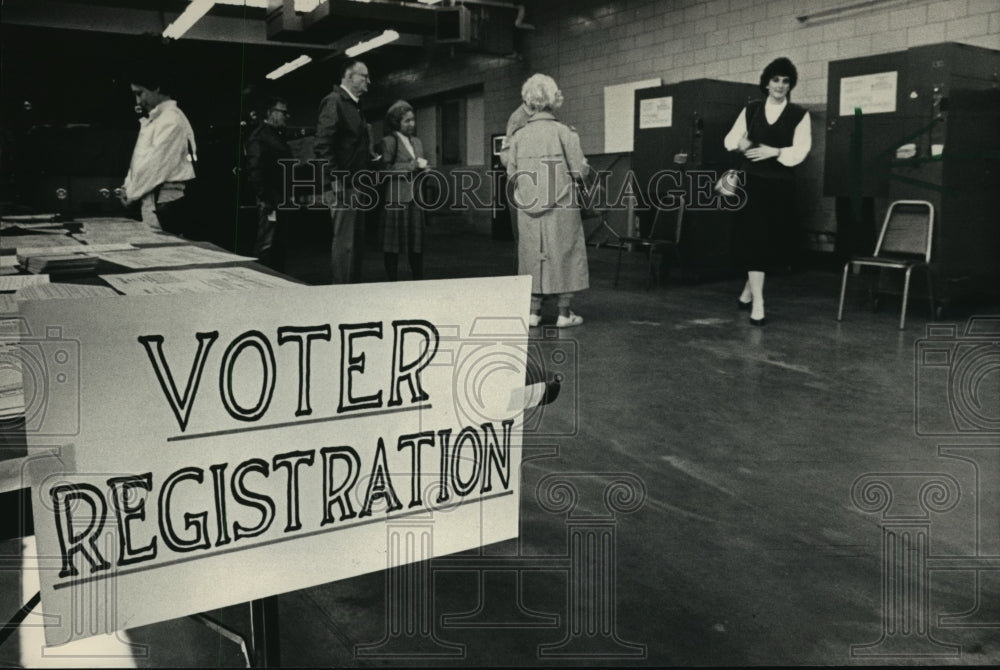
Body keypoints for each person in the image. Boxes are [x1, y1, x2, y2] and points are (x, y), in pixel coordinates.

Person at [723, 56, 811, 326]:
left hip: (780, 184)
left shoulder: (799, 114)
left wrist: (777, 151)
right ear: (766, 82)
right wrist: (742, 144)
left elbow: (802, 149)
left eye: (785, 81)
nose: (780, 86)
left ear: (790, 85)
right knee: (754, 240)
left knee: (770, 242)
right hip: (752, 182)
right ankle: (759, 303)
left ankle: (749, 291)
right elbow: (730, 140)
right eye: (775, 80)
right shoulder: (751, 110)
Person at [507, 73, 590, 328]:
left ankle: (533, 312)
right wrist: (585, 166)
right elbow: (578, 171)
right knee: (564, 252)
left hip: (529, 206)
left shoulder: (519, 136)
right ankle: (565, 314)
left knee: (531, 254)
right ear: (554, 99)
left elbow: (511, 173)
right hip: (561, 204)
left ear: (529, 100)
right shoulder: (564, 132)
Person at [120, 62, 197, 234]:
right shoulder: (158, 119)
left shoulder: (172, 120)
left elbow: (155, 167)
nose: (138, 101)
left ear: (156, 87)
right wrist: (128, 186)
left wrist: (130, 193)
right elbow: (140, 161)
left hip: (163, 200)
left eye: (140, 93)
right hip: (152, 196)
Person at [315, 58, 373, 284]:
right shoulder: (334, 101)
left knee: (356, 243)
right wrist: (335, 179)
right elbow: (322, 144)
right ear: (349, 77)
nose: (369, 81)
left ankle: (352, 289)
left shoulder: (354, 106)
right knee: (345, 244)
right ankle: (341, 292)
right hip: (343, 186)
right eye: (364, 76)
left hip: (356, 184)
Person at [379, 100, 429, 281]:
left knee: (417, 244)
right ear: (396, 122)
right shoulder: (389, 141)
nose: (412, 124)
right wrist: (409, 167)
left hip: (416, 197)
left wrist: (424, 169)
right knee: (392, 244)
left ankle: (418, 279)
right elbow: (384, 171)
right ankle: (392, 280)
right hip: (397, 198)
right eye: (407, 121)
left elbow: (419, 164)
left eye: (413, 120)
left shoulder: (417, 141)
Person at [245, 97, 294, 271]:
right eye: (282, 112)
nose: (286, 116)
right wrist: (265, 198)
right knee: (266, 246)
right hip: (270, 201)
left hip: (278, 199)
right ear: (270, 113)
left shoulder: (275, 136)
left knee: (276, 246)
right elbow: (255, 169)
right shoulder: (260, 137)